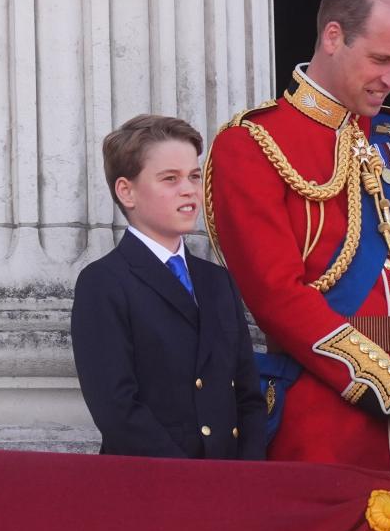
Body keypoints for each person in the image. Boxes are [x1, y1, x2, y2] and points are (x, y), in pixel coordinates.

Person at [205, 0, 390, 470]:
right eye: (380, 59)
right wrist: (389, 386)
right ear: (333, 37)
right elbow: (276, 295)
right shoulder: (250, 145)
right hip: (321, 421)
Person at [70, 115, 266, 459]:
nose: (189, 189)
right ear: (126, 191)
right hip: (150, 488)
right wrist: (187, 481)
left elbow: (248, 396)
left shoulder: (217, 281)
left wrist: (245, 475)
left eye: (193, 176)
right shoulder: (103, 282)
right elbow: (117, 410)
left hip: (229, 486)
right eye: (170, 179)